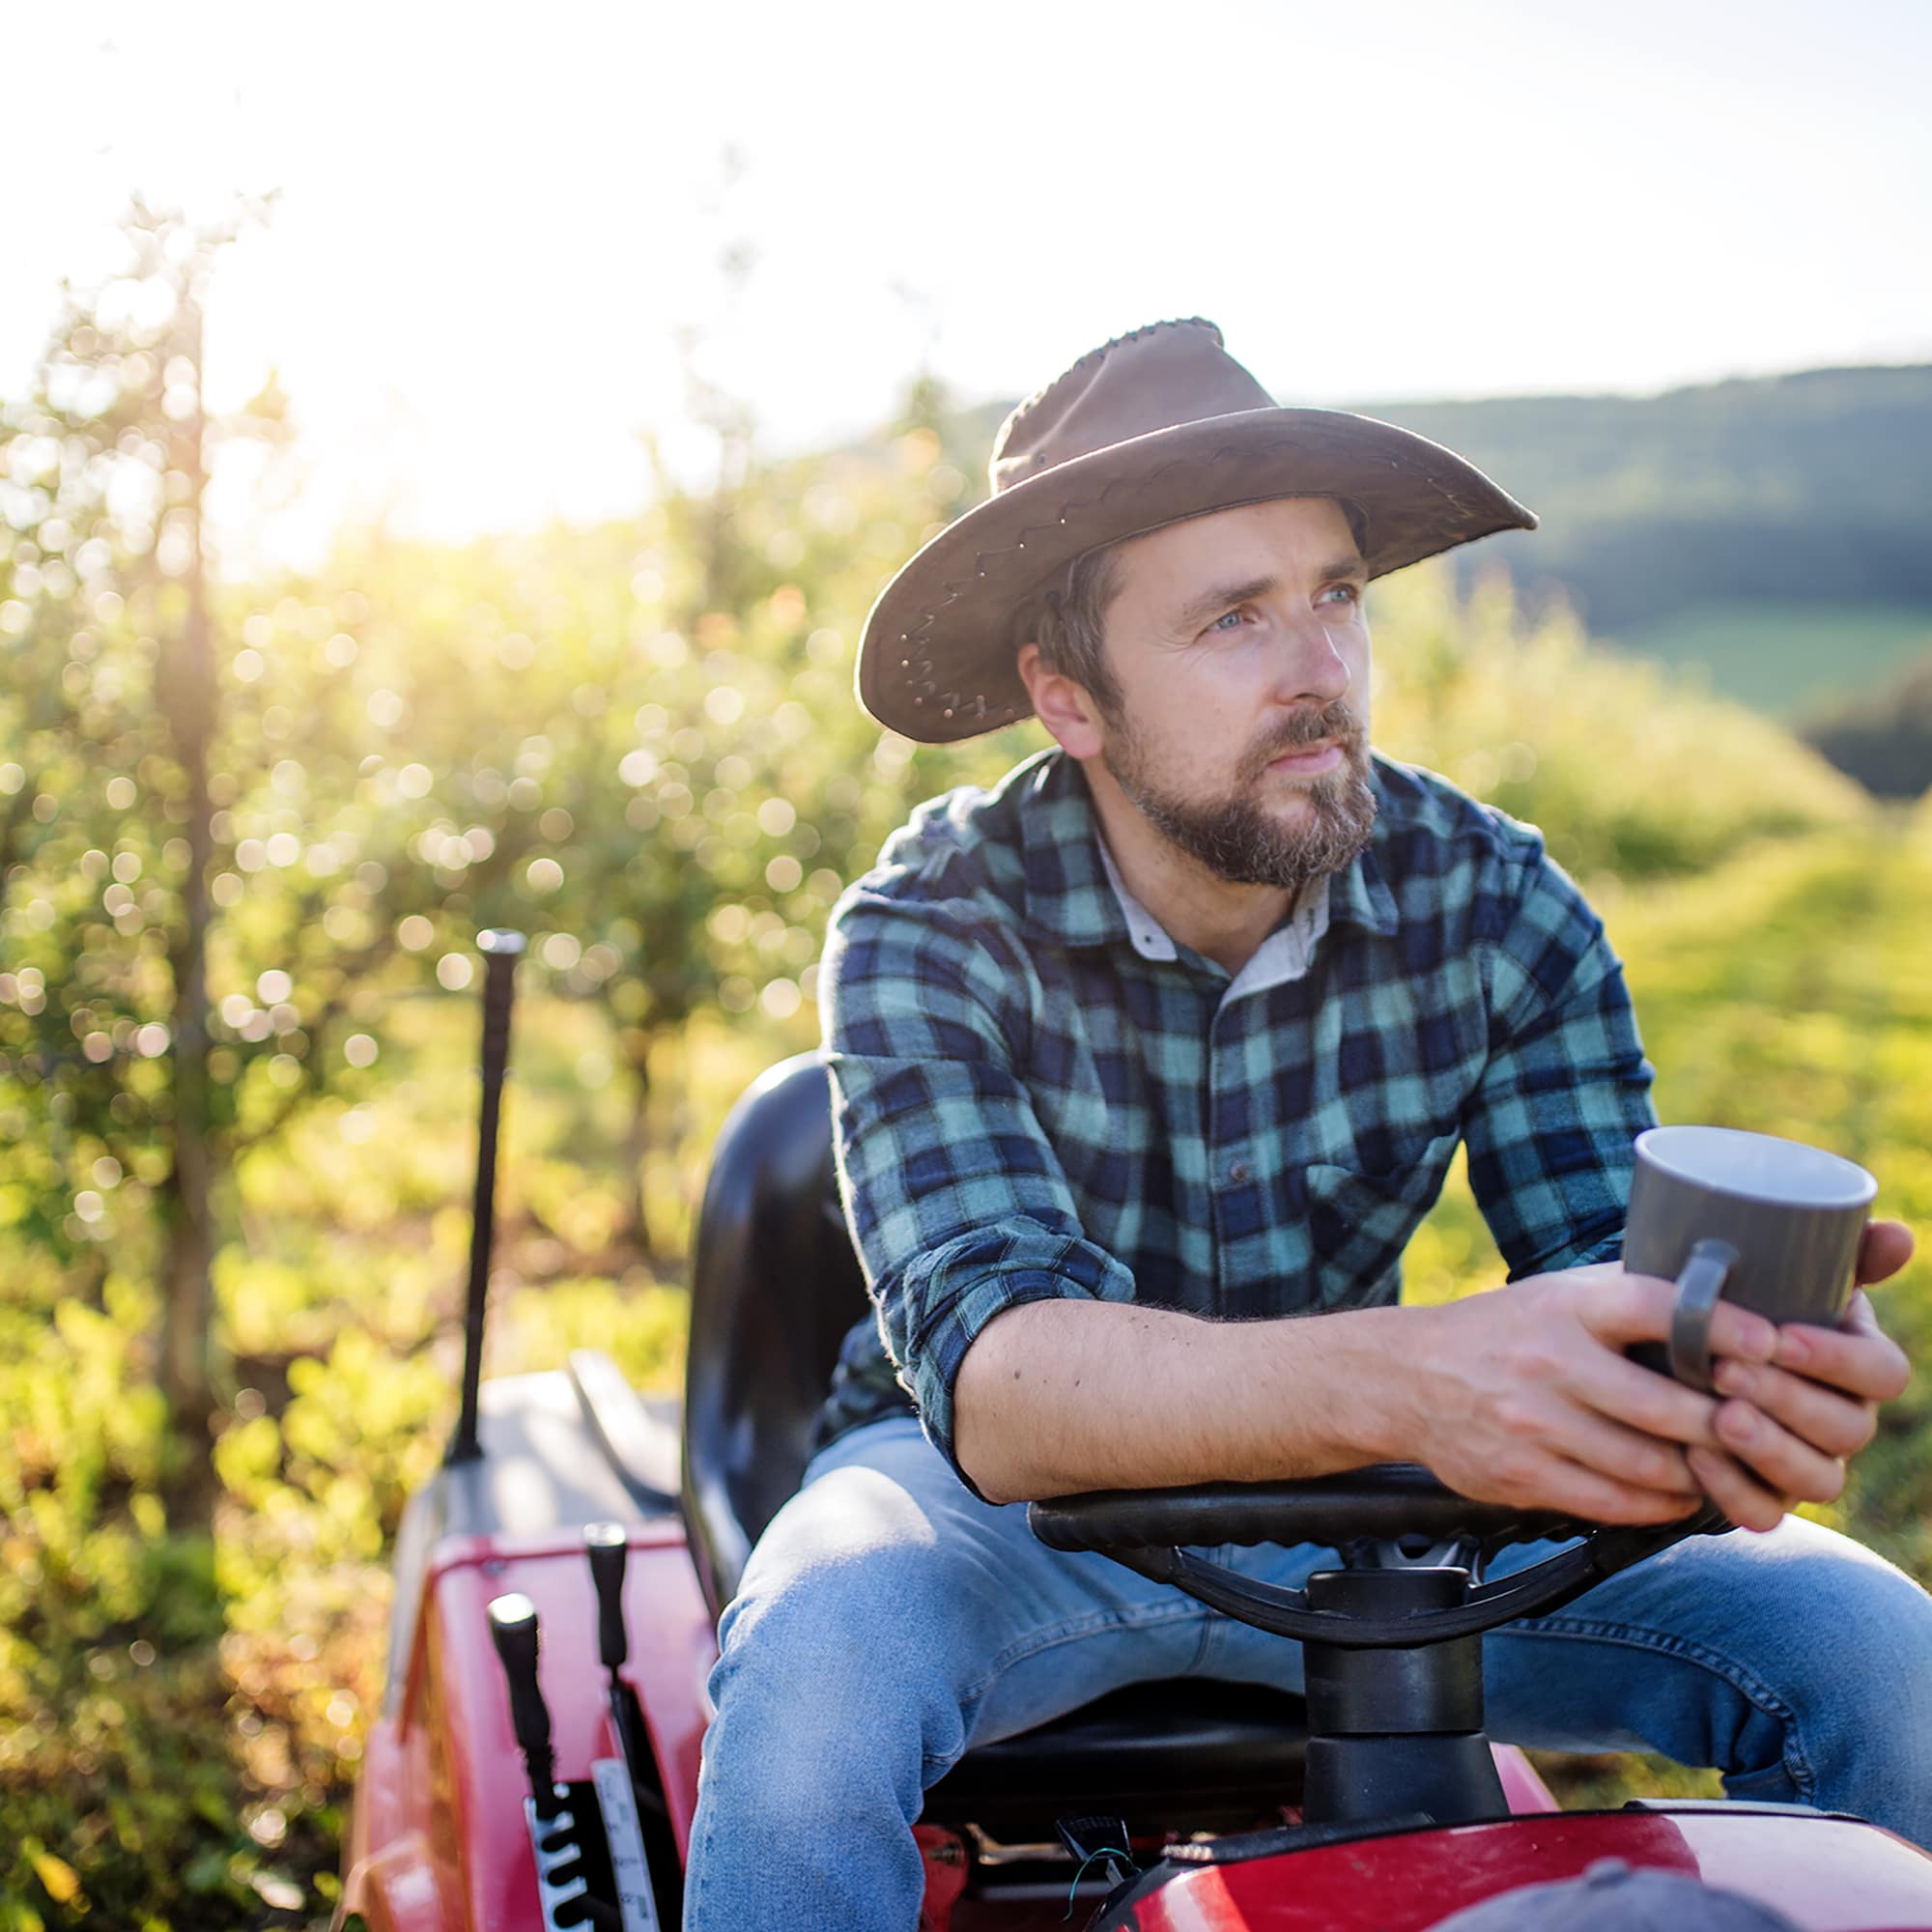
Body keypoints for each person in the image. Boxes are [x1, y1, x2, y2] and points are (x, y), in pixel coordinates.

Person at [682, 319, 1928, 1930]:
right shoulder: (928, 924)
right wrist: (1421, 1373)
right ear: (1069, 699)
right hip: (987, 1520)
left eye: (1334, 594)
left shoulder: (1498, 902)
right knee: (816, 1664)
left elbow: (1603, 1275)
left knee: (1879, 1652)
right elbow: (998, 1391)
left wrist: (1734, 1376)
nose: (1318, 669)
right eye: (1230, 619)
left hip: (1371, 1518)